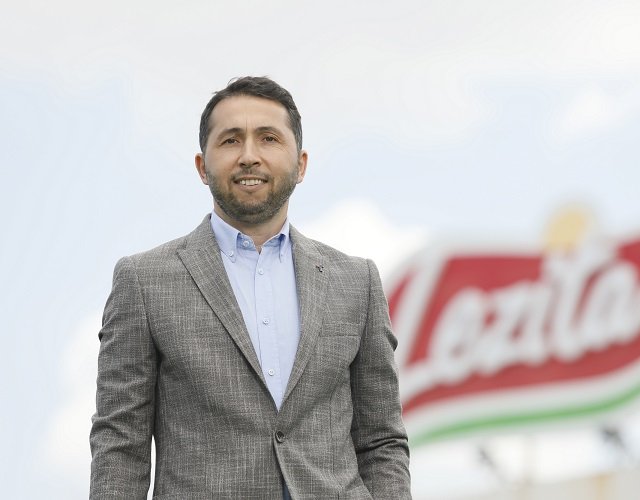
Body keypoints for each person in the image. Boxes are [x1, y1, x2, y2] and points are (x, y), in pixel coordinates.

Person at [89, 76, 411, 499]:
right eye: (230, 141)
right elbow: (120, 443)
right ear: (202, 167)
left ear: (301, 164)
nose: (249, 156)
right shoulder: (143, 281)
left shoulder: (356, 281)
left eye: (268, 138)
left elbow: (382, 440)